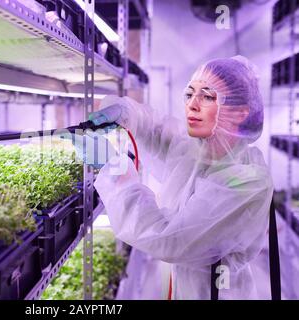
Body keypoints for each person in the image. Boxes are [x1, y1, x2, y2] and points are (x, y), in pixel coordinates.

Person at [68, 56, 273, 299]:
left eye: (208, 97)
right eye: (190, 94)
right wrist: (124, 112)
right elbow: (156, 132)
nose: (192, 105)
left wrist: (113, 168)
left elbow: (171, 239)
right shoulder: (200, 154)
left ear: (240, 113)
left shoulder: (247, 181)